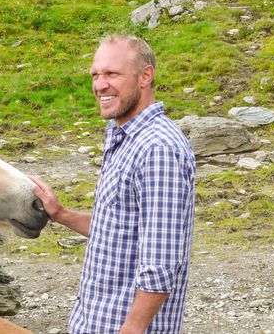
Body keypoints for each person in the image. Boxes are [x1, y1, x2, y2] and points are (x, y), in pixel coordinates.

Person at [31, 34, 196, 333]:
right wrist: (61, 213)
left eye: (112, 74)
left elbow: (160, 265)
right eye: (95, 74)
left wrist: (131, 329)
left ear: (145, 76)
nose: (99, 85)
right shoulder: (121, 136)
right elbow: (119, 230)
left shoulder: (157, 149)